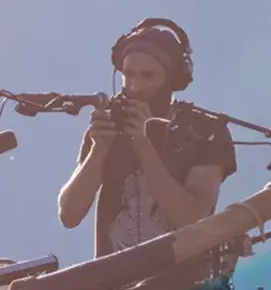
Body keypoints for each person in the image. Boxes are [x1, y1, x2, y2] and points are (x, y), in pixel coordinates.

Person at [57, 18, 237, 266]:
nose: (135, 87)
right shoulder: (109, 128)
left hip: (185, 285)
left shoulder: (205, 132)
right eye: (128, 75)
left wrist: (144, 146)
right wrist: (98, 151)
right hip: (113, 285)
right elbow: (69, 215)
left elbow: (193, 219)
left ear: (173, 79)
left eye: (148, 76)